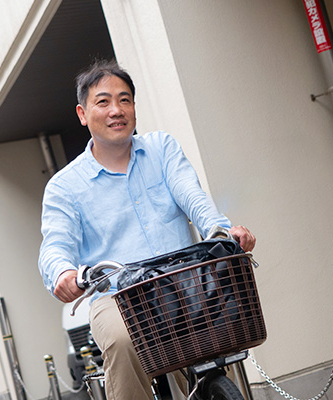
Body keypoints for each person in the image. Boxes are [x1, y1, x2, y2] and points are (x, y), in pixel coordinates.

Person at [39, 59, 255, 399]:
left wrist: (220, 231)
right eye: (104, 101)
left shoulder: (161, 148)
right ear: (83, 114)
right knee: (125, 342)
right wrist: (63, 273)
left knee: (223, 330)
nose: (117, 110)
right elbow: (54, 245)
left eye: (125, 99)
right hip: (117, 297)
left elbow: (191, 194)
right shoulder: (64, 187)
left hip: (184, 282)